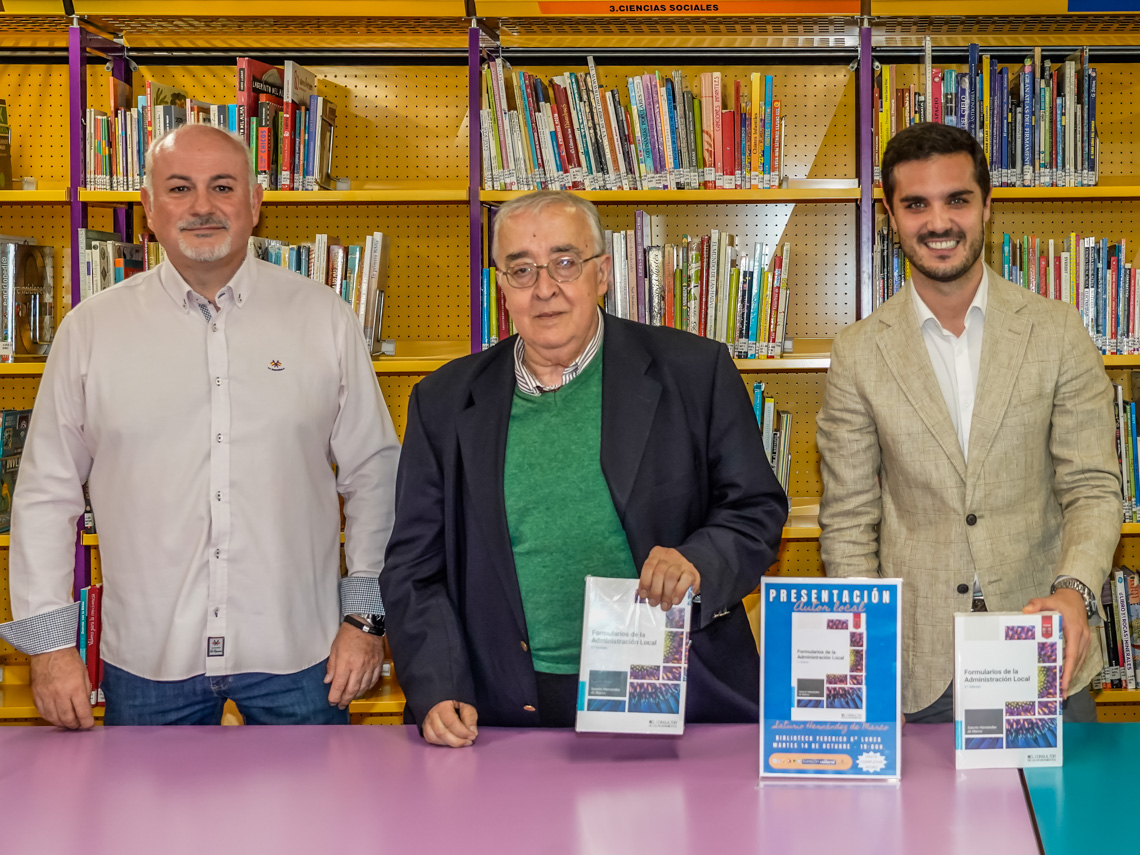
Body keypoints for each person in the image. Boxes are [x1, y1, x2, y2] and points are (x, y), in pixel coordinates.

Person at [0, 124, 401, 727]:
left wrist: (365, 618)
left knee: (317, 822)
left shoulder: (324, 320)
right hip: (148, 661)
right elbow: (45, 492)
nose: (203, 206)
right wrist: (52, 647)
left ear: (256, 203)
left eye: (222, 186)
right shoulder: (91, 332)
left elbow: (375, 475)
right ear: (149, 210)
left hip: (302, 656)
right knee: (142, 824)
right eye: (180, 188)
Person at [380, 189, 787, 747]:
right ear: (502, 289)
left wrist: (698, 561)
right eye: (521, 270)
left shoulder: (694, 371)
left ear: (602, 274)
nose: (544, 288)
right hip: (502, 708)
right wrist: (436, 681)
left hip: (674, 689)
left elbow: (755, 509)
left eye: (565, 263)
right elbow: (414, 567)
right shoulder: (444, 401)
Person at [816, 122, 1121, 723]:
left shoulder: (1057, 332)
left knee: (1054, 819)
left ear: (986, 204)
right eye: (915, 204)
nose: (938, 223)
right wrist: (864, 652)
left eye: (957, 199)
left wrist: (1075, 592)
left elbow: (1092, 487)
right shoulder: (857, 352)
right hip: (916, 667)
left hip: (1044, 651)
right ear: (890, 214)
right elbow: (849, 521)